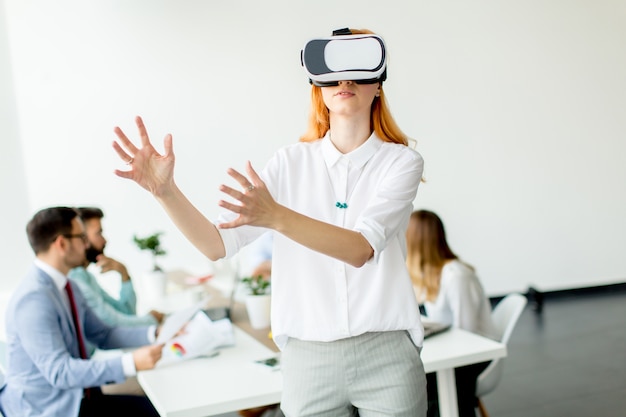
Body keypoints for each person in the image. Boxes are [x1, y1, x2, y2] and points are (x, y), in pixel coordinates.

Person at [112, 27, 427, 417]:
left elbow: (360, 248)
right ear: (318, 85)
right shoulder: (288, 163)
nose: (344, 81)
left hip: (387, 354)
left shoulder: (401, 162)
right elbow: (216, 245)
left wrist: (276, 216)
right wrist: (166, 192)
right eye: (333, 71)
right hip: (307, 360)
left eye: (359, 70)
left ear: (378, 85)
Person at [0, 207, 163, 417]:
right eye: (81, 237)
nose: (87, 244)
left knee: (153, 409)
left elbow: (103, 334)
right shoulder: (33, 299)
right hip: (48, 410)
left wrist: (154, 333)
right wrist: (130, 363)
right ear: (61, 243)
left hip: (77, 396)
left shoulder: (68, 286)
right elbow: (59, 372)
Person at [406, 209, 497, 417]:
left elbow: (468, 332)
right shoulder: (428, 274)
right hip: (454, 347)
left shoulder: (456, 276)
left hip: (476, 353)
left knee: (421, 387)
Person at [69, 207, 164, 335]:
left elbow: (126, 313)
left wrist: (123, 273)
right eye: (99, 233)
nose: (104, 240)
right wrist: (150, 320)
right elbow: (111, 322)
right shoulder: (75, 279)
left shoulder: (86, 277)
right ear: (83, 238)